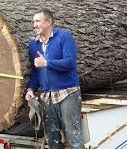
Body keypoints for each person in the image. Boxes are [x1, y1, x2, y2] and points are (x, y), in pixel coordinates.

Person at [25, 8, 83, 149]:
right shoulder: (33, 45)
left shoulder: (64, 37)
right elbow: (35, 72)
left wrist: (47, 63)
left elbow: (70, 62)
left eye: (38, 21)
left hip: (68, 93)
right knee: (52, 140)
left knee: (74, 138)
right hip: (46, 97)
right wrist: (31, 88)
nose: (34, 25)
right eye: (33, 22)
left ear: (49, 22)